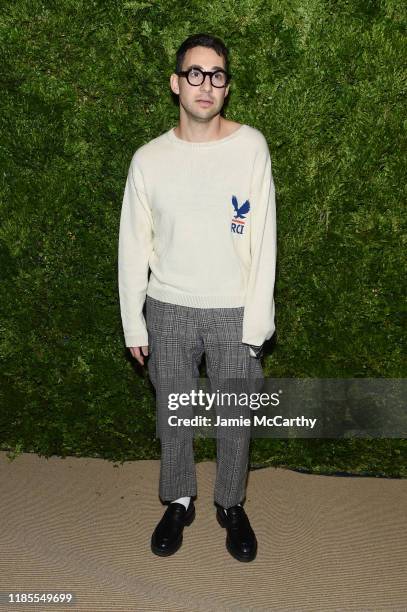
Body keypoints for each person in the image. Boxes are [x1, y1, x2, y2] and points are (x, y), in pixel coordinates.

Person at [118, 33, 277, 562]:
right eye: (194, 73)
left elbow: (264, 239)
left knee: (235, 419)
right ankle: (179, 499)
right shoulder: (148, 160)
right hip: (167, 308)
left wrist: (257, 323)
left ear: (226, 88)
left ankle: (231, 504)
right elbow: (133, 244)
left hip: (234, 308)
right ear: (175, 83)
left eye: (216, 75)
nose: (205, 84)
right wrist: (133, 324)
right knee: (175, 415)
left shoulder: (251, 147)